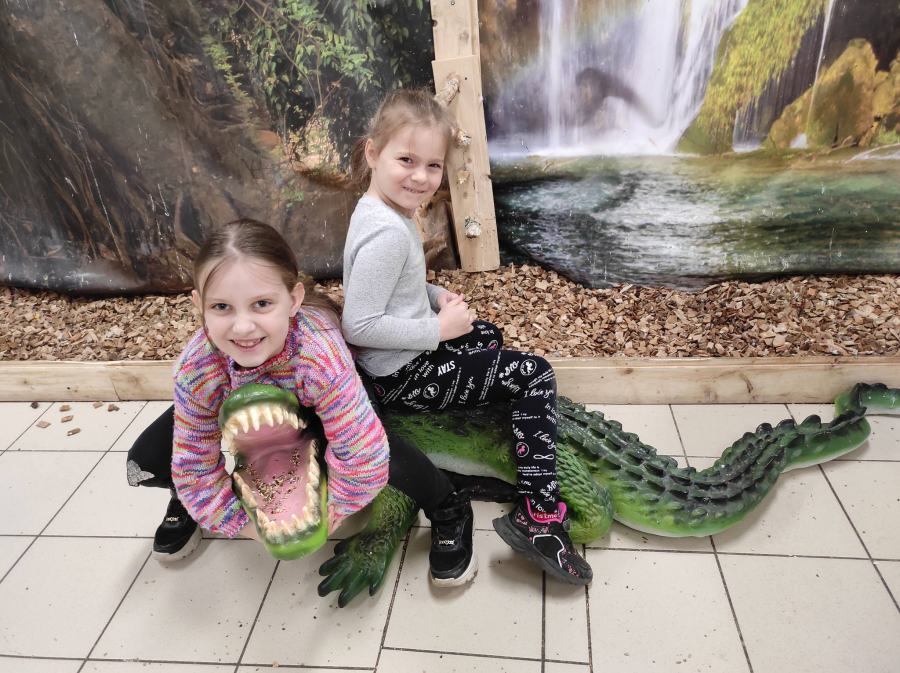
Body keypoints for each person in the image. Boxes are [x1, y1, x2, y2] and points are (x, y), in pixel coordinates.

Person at [126, 219, 474, 587]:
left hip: (314, 395)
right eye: (222, 306)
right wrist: (236, 520)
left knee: (388, 450)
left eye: (262, 304)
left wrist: (336, 508)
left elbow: (364, 457)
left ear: (292, 301)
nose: (243, 327)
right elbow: (192, 468)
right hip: (236, 397)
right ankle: (187, 503)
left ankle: (448, 506)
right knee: (144, 462)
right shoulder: (197, 367)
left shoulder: (318, 354)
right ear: (199, 304)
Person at [341, 89, 592, 585]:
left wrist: (434, 296)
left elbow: (392, 286)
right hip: (404, 375)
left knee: (486, 335)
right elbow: (359, 326)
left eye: (432, 165)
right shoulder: (387, 232)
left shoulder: (383, 210)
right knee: (536, 375)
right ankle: (540, 517)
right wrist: (439, 330)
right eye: (406, 160)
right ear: (372, 152)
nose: (420, 177)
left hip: (406, 357)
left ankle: (475, 452)